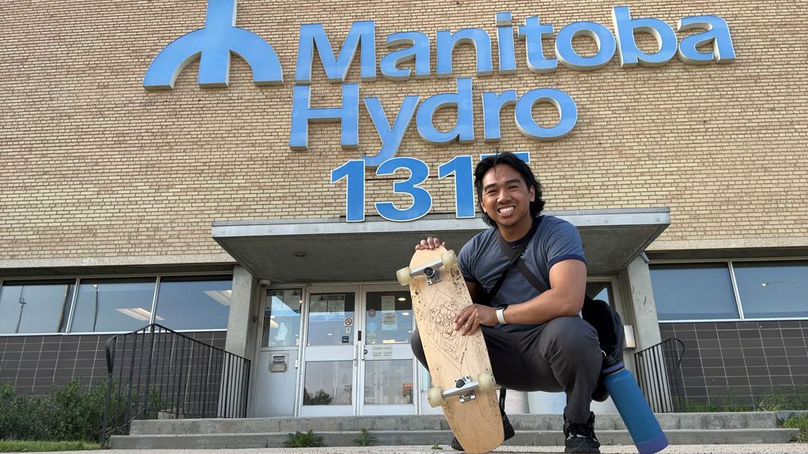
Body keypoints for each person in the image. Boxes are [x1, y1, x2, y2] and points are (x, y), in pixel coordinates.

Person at [411, 152, 602, 453]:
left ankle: (578, 426)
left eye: (512, 186)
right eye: (492, 191)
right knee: (425, 337)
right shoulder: (476, 249)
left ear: (531, 192)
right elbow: (454, 312)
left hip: (549, 354)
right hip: (497, 359)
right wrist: (435, 268)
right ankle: (487, 416)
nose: (503, 197)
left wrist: (497, 315)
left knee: (572, 331)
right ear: (484, 202)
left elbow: (568, 299)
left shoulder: (558, 232)